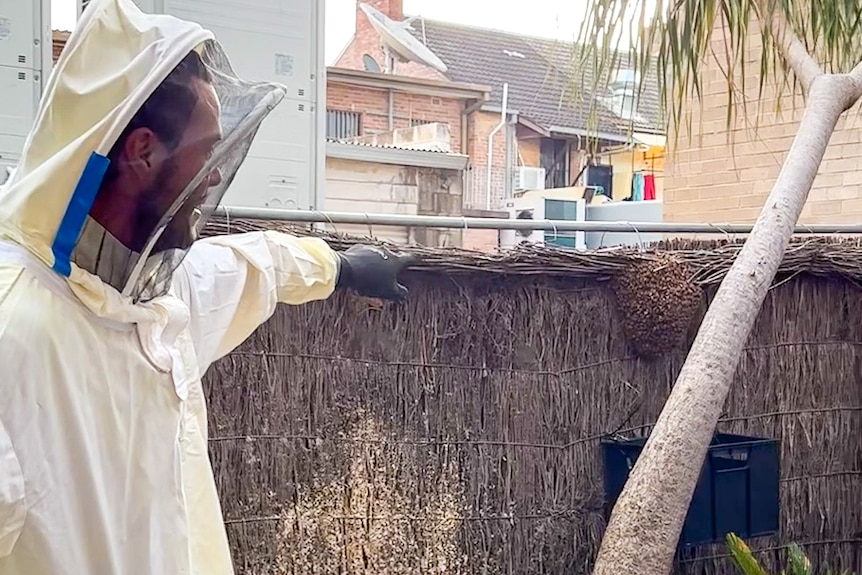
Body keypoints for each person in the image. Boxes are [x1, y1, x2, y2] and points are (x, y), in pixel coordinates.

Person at [0, 0, 416, 573]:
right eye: (206, 153)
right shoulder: (14, 332)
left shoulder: (146, 293)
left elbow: (254, 264)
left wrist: (340, 268)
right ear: (142, 151)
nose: (215, 174)